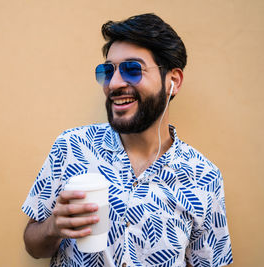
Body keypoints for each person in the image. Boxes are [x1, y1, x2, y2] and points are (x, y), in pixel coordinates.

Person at [22, 13, 233, 267]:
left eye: (132, 69)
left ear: (173, 81)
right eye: (107, 71)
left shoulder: (204, 177)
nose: (114, 83)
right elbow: (33, 245)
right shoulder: (71, 146)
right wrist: (52, 228)